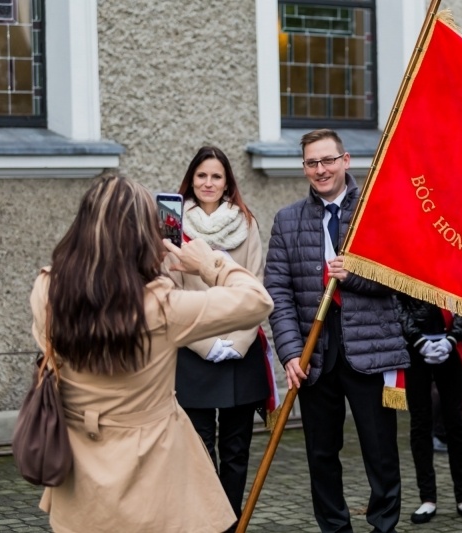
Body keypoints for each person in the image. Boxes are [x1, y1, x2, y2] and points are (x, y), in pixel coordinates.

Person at [30, 174, 274, 532]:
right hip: (151, 469)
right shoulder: (161, 306)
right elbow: (256, 301)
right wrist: (210, 262)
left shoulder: (48, 289)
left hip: (77, 465)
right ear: (143, 234)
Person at [264, 128, 410, 533]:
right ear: (304, 168)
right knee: (321, 453)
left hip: (369, 349)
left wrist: (358, 275)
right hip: (315, 355)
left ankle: (384, 525)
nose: (321, 169)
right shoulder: (287, 221)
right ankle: (334, 527)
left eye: (328, 160)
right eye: (312, 162)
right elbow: (277, 291)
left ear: (346, 161)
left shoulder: (376, 210)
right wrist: (291, 353)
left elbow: (402, 276)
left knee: (380, 452)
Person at [168, 146, 270, 523]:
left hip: (239, 351)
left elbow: (255, 287)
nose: (208, 183)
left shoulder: (247, 223)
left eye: (216, 176)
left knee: (236, 448)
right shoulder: (172, 226)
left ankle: (232, 521)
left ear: (227, 182)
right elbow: (169, 293)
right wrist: (206, 344)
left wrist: (237, 343)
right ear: (191, 181)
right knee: (197, 449)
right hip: (192, 351)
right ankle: (204, 521)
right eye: (201, 176)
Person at [394, 294, 462, 524]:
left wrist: (452, 339)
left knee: (456, 424)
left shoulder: (456, 258)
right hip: (416, 349)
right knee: (420, 424)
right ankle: (427, 498)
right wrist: (419, 341)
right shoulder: (407, 259)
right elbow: (397, 301)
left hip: (450, 347)